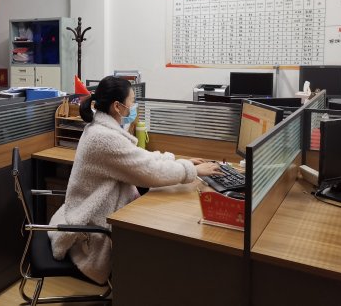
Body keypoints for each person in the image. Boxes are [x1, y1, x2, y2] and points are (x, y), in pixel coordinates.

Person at [48, 76, 222, 284]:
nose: (133, 106)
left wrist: (177, 160)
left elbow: (139, 157)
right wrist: (191, 171)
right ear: (117, 106)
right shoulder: (103, 138)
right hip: (92, 232)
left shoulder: (101, 128)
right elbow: (149, 171)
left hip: (96, 212)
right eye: (131, 101)